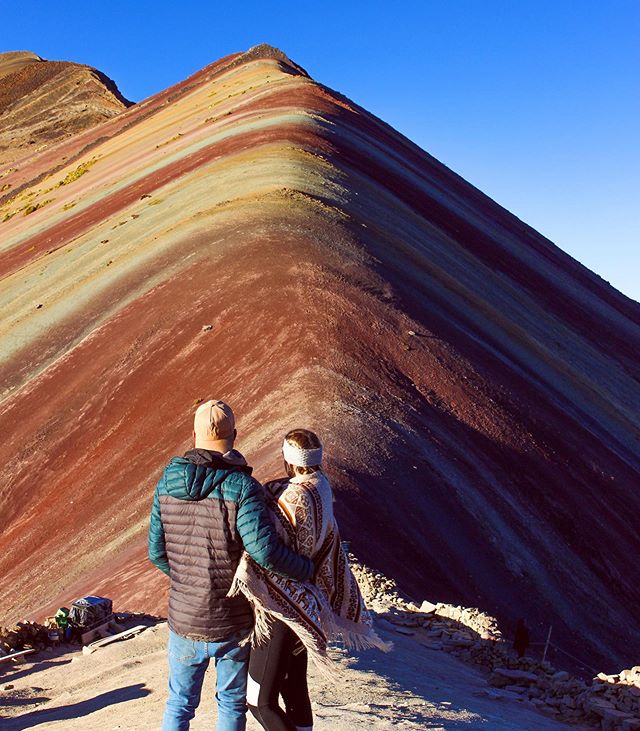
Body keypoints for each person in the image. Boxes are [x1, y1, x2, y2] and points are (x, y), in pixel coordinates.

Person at [148, 400, 314, 731]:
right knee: (230, 703)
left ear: (193, 434)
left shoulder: (166, 484)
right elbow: (265, 553)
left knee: (179, 704)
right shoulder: (242, 488)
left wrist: (187, 581)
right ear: (234, 436)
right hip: (232, 619)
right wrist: (308, 570)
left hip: (184, 618)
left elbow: (156, 552)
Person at [229, 428, 389, 731]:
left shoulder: (289, 495)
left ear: (288, 459)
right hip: (309, 605)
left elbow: (266, 549)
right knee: (294, 688)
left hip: (280, 607)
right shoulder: (322, 487)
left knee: (259, 702)